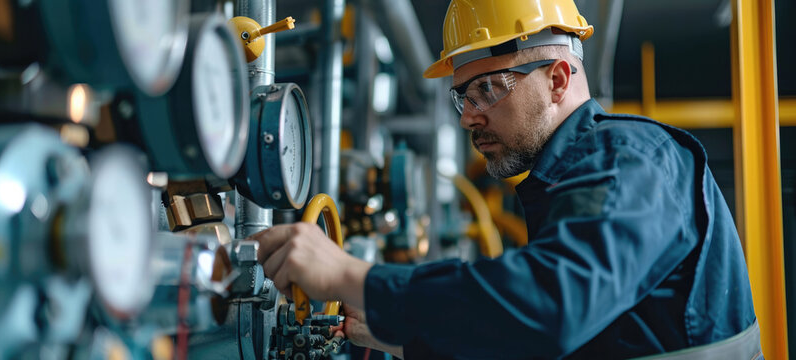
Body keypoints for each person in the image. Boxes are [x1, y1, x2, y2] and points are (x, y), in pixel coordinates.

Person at [250, 0, 758, 358]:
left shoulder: (630, 159)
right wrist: (398, 341)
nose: (470, 116)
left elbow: (550, 307)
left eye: (489, 89)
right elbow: (550, 342)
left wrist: (349, 276)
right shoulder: (565, 181)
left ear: (558, 79)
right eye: (462, 98)